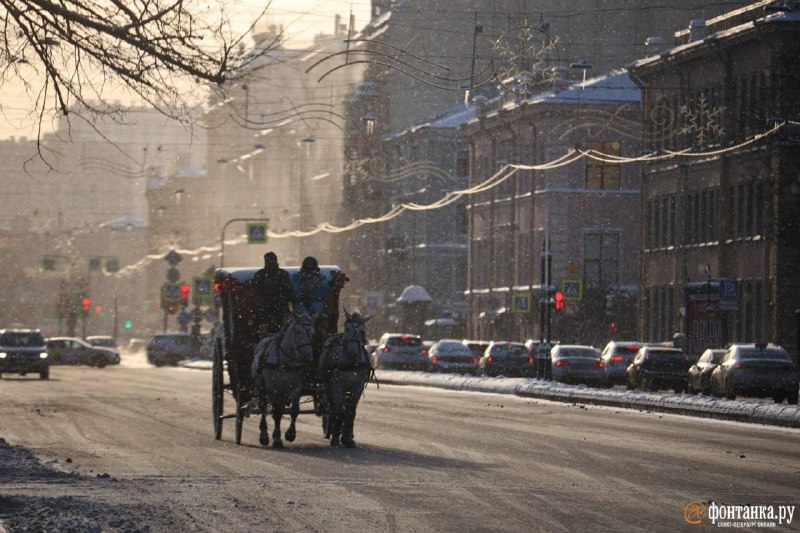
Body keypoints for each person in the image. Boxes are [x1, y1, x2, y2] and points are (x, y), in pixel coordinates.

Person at [252, 252, 293, 337]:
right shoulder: (261, 275)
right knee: (262, 319)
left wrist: (280, 301)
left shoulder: (281, 274)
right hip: (267, 307)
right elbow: (256, 292)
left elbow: (288, 291)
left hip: (278, 306)